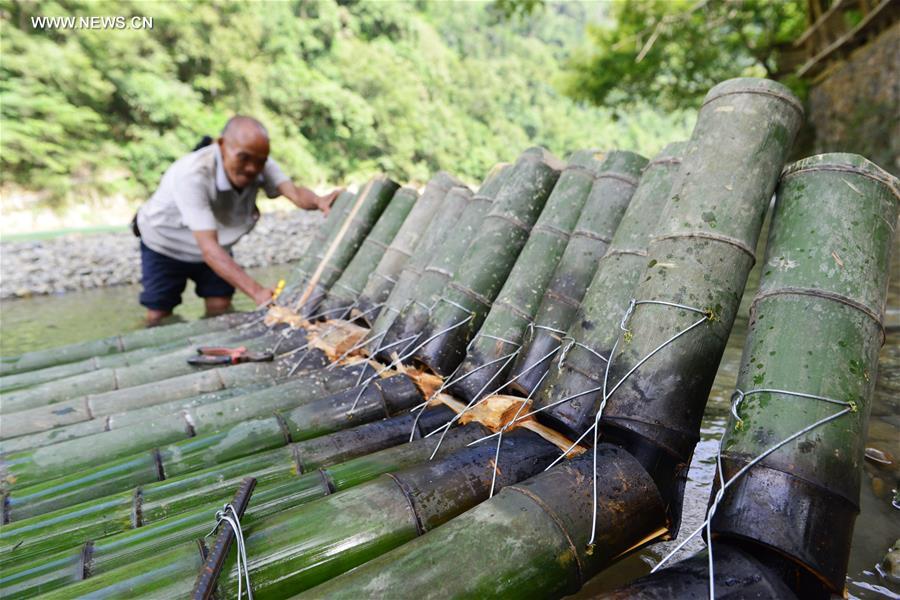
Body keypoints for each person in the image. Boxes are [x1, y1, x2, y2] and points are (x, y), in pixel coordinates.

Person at [135, 116, 340, 326]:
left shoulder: (262, 164)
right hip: (166, 244)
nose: (252, 168)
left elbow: (295, 193)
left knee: (220, 304)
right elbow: (209, 249)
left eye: (259, 161)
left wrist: (318, 200)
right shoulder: (193, 174)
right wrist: (258, 293)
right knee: (159, 313)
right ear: (221, 144)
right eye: (244, 158)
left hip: (216, 244)